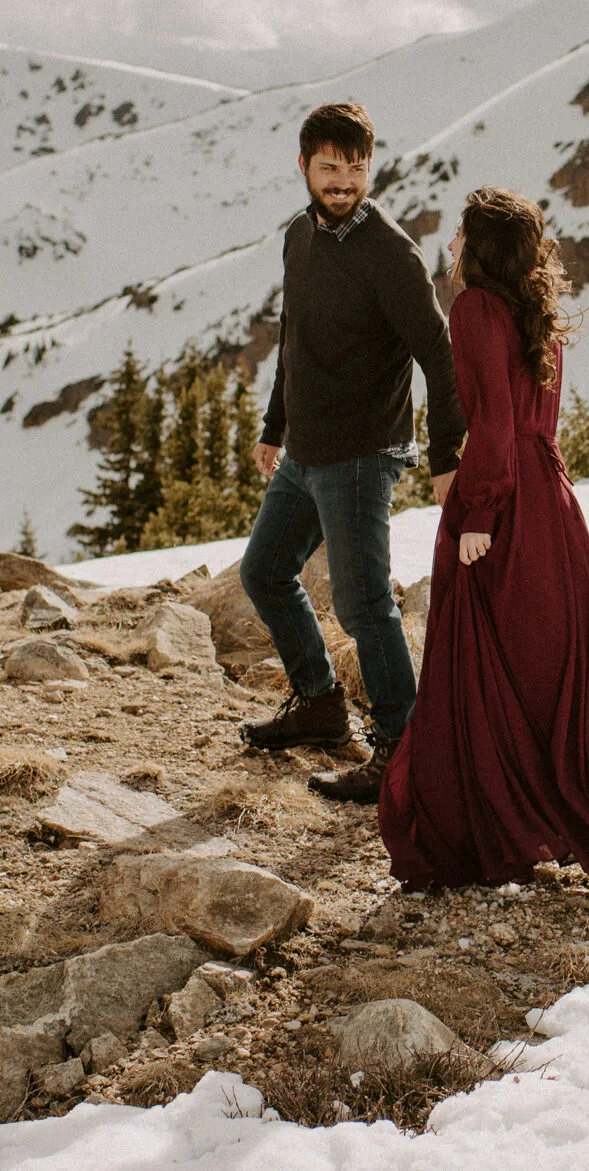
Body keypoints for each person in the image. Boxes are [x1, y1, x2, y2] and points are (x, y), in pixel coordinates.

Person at [380, 187, 589, 887]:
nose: (451, 247)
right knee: (552, 662)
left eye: (460, 236)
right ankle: (570, 808)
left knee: (490, 665)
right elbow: (529, 421)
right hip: (549, 497)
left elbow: (490, 426)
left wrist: (478, 513)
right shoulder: (530, 310)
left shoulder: (475, 309)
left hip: (506, 501)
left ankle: (501, 821)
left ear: (482, 248)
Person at [238, 102, 465, 803]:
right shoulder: (299, 238)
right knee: (266, 571)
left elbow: (440, 352)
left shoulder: (390, 252)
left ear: (371, 166)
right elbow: (294, 338)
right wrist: (275, 426)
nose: (343, 181)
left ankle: (404, 750)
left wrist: (446, 456)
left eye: (356, 167)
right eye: (330, 167)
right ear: (303, 165)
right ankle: (320, 702)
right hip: (306, 450)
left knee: (364, 604)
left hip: (365, 453)